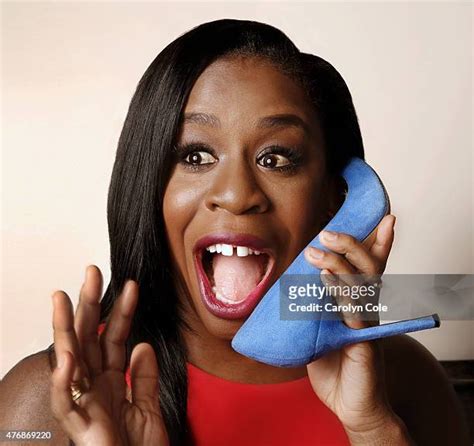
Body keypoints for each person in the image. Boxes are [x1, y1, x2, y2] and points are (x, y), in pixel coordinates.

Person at [0, 19, 469, 446]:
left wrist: (372, 429)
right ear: (149, 184)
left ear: (337, 198)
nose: (237, 193)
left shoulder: (406, 382)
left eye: (277, 158)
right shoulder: (44, 403)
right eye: (196, 155)